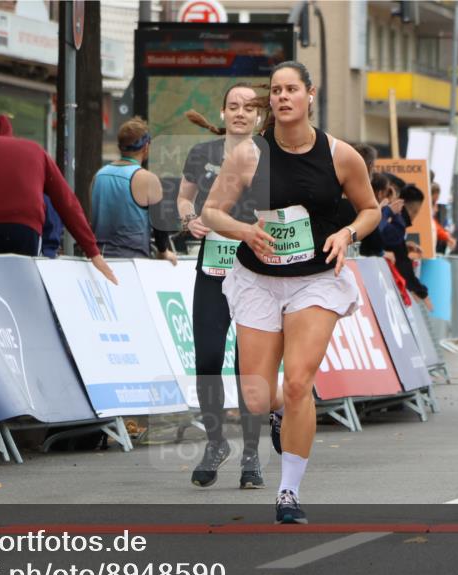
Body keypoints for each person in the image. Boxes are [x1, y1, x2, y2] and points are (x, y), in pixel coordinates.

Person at [202, 61, 381, 524]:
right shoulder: (249, 154)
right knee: (259, 397)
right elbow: (213, 212)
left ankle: (288, 493)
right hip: (258, 277)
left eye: (292, 90)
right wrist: (244, 230)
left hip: (316, 278)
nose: (283, 98)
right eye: (277, 91)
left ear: (309, 94)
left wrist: (347, 234)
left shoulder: (341, 155)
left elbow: (370, 209)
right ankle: (278, 410)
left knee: (300, 380)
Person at [177, 83, 264, 490]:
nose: (241, 113)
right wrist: (189, 218)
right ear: (224, 112)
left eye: (249, 107)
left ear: (260, 116)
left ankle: (251, 455)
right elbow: (183, 200)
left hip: (257, 271)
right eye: (234, 106)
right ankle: (215, 443)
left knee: (250, 366)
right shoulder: (202, 154)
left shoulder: (269, 155)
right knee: (208, 358)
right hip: (212, 268)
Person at [0, 114, 117, 283]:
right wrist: (92, 250)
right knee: (20, 287)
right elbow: (67, 201)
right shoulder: (35, 150)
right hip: (24, 229)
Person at [90, 117, 177, 264]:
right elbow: (160, 227)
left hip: (100, 262)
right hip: (133, 263)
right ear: (146, 147)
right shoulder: (147, 179)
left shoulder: (99, 176)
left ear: (120, 146)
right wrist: (164, 252)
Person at [385, 184, 432, 310]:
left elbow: (393, 249)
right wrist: (421, 292)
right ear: (415, 209)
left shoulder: (394, 219)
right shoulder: (398, 222)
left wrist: (405, 247)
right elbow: (402, 263)